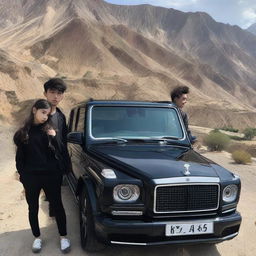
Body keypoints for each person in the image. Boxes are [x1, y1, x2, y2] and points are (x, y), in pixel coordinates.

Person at [13, 99, 71, 253]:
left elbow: (60, 150)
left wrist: (54, 137)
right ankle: (37, 237)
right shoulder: (22, 132)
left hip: (51, 175)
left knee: (57, 205)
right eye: (43, 112)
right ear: (34, 110)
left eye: (47, 113)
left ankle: (63, 237)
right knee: (33, 208)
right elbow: (20, 158)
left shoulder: (49, 130)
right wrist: (23, 175)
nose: (46, 116)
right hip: (31, 177)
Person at [43, 78, 71, 217]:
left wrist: (66, 163)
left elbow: (64, 141)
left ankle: (53, 208)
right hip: (41, 161)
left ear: (62, 96)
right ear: (45, 93)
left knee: (55, 190)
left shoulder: (61, 117)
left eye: (59, 93)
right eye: (52, 92)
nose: (55, 96)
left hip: (56, 161)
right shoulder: (38, 115)